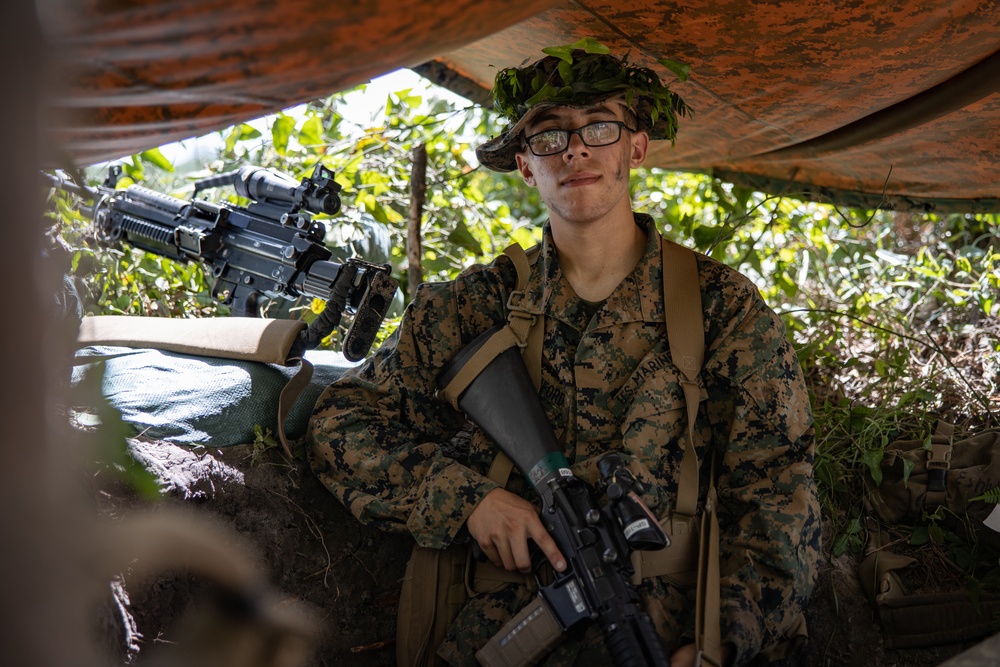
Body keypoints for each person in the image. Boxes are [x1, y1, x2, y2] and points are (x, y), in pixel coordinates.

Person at [307, 40, 821, 667]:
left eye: (599, 128)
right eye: (549, 136)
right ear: (525, 165)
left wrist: (722, 644)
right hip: (499, 634)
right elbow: (341, 422)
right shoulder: (471, 308)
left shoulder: (724, 310)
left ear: (636, 147)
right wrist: (468, 500)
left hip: (669, 633)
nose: (576, 150)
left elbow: (781, 504)